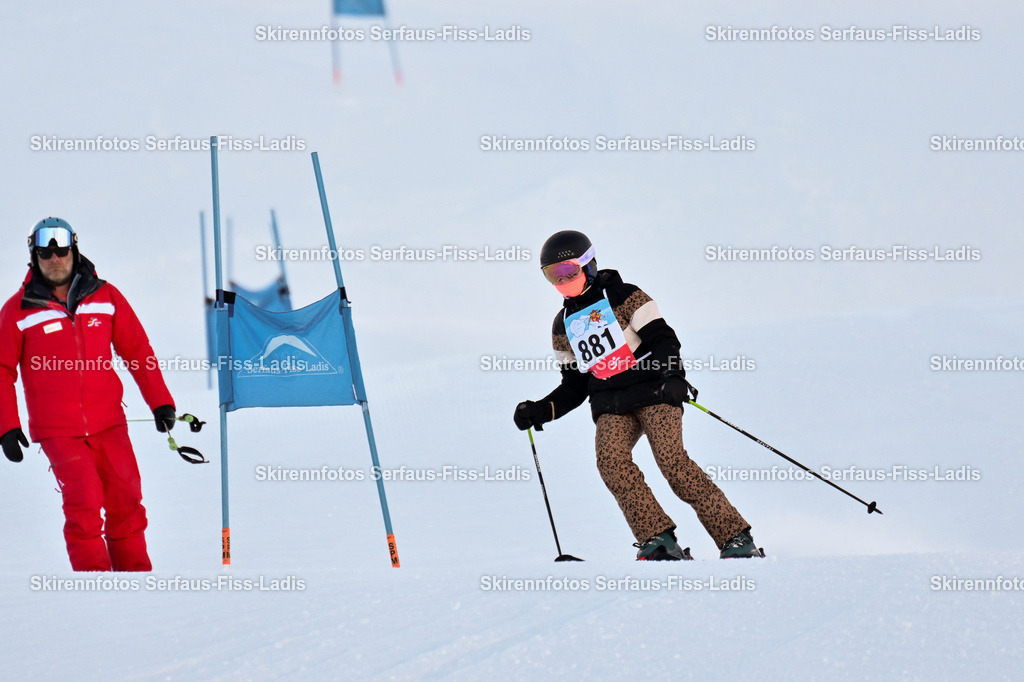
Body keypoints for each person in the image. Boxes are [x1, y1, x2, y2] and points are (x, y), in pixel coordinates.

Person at [514, 230, 762, 560]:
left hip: (655, 391)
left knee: (674, 464)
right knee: (612, 464)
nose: (562, 281)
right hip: (610, 404)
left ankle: (735, 537)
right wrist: (542, 410)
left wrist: (674, 376)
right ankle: (658, 539)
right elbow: (574, 385)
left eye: (568, 271)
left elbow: (663, 339)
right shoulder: (563, 325)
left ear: (588, 265)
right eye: (552, 275)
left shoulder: (626, 296)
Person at [0, 217, 177, 571]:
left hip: (109, 423)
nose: (54, 258)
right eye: (45, 252)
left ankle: (137, 583)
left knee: (126, 501)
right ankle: (96, 592)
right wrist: (7, 425)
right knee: (84, 506)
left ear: (74, 249)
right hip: (59, 432)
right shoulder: (17, 310)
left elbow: (137, 350)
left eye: (61, 250)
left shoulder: (106, 297)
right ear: (34, 257)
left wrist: (160, 401)